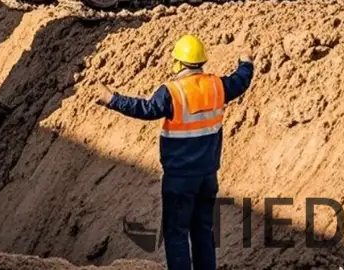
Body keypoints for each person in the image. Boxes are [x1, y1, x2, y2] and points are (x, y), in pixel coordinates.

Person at [95, 34, 254, 270]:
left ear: (177, 63)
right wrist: (246, 62)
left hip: (180, 178)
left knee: (176, 233)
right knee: (202, 230)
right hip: (208, 176)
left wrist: (112, 99)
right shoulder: (216, 86)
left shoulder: (173, 91)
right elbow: (240, 81)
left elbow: (146, 109)